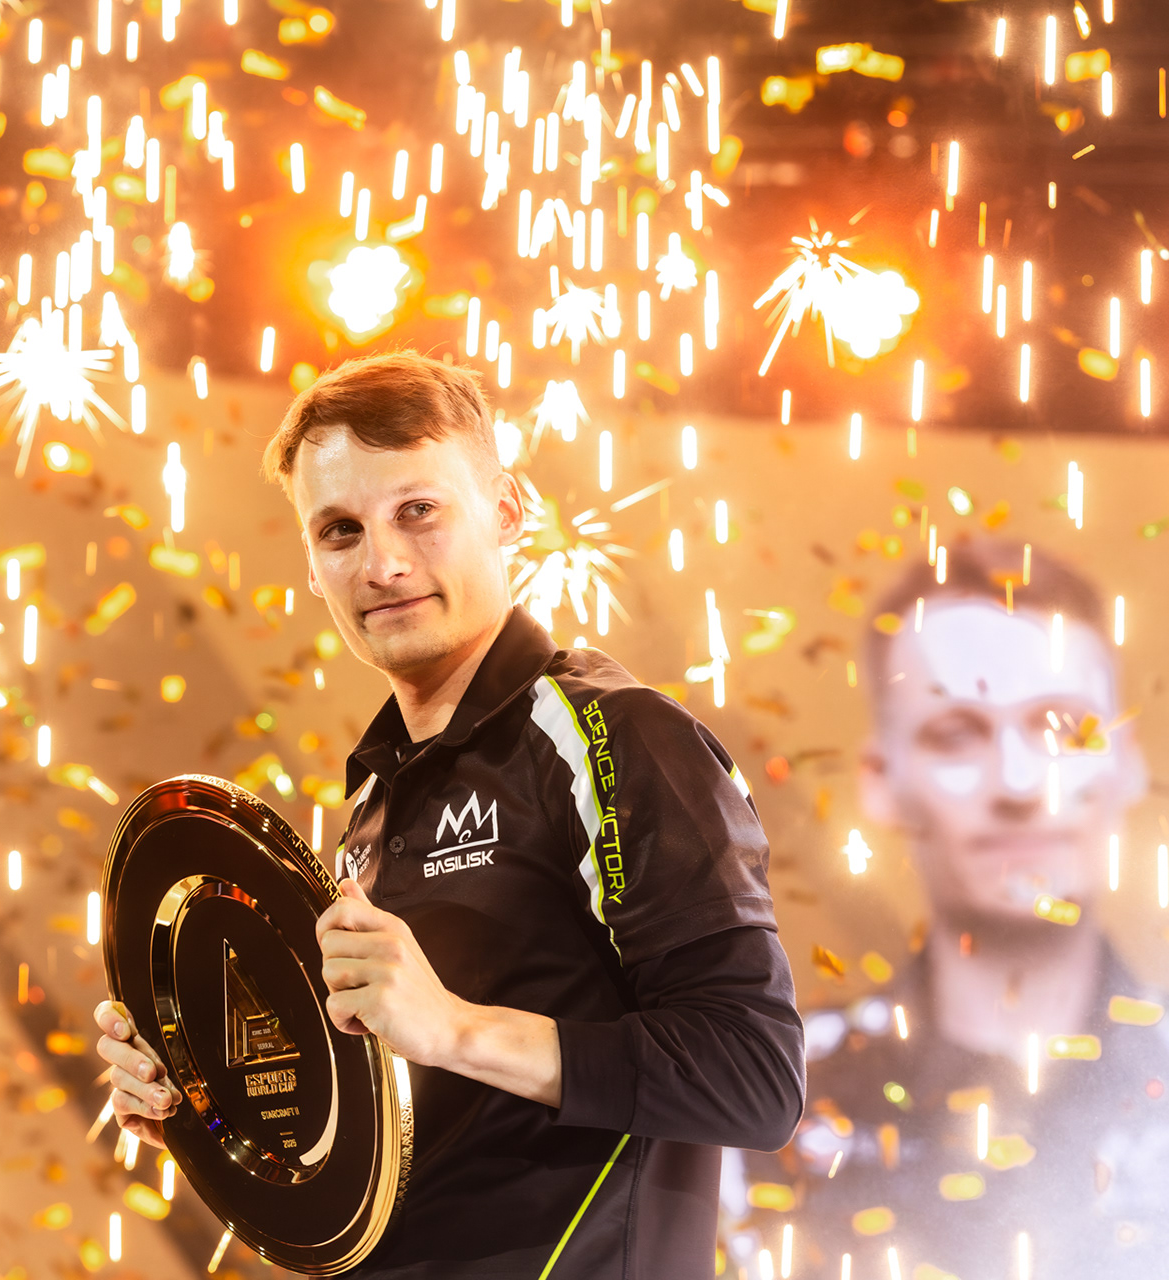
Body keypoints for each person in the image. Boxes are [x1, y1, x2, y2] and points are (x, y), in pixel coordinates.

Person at [94, 350, 806, 1277]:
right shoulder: (370, 800)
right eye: (341, 531)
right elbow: (403, 1134)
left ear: (506, 511)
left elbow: (755, 1076)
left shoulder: (613, 735)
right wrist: (210, 1103)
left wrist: (457, 1027)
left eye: (418, 511)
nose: (383, 564)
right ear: (312, 566)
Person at [719, 538, 1169, 1280]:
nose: (1018, 780)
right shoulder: (754, 1114)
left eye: (1064, 729)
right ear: (882, 781)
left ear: (1126, 762)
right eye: (956, 734)